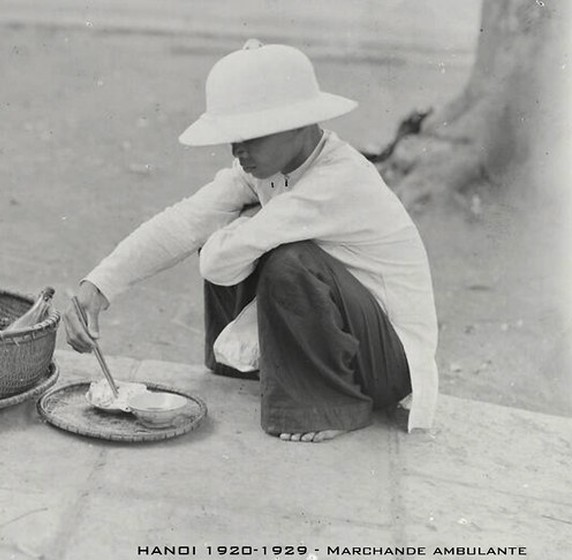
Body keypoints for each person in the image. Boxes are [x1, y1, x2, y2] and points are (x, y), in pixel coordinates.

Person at [63, 41, 438, 442]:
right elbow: (185, 221)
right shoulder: (266, 169)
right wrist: (99, 286)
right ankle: (254, 369)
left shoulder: (337, 179)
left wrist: (234, 226)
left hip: (390, 361)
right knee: (239, 235)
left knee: (284, 260)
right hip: (352, 338)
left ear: (300, 122)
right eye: (231, 137)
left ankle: (333, 403)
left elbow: (216, 262)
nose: (236, 150)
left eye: (250, 135)